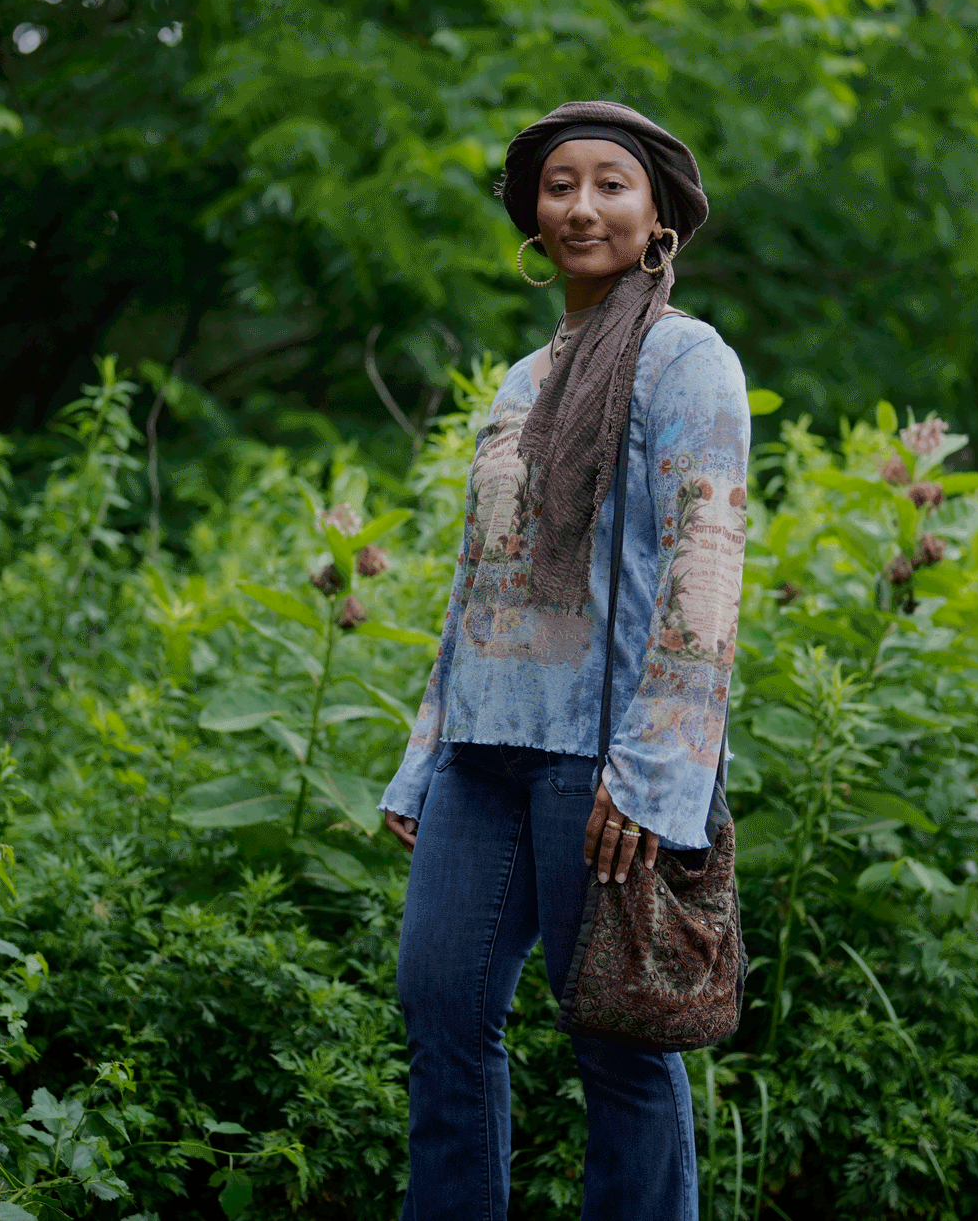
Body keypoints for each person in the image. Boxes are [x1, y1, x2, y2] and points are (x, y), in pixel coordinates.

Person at [378, 101, 751, 1221]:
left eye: (609, 184)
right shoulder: (517, 383)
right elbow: (475, 587)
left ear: (657, 217)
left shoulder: (687, 360)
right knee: (440, 1020)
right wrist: (421, 754)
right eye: (556, 187)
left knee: (619, 1049)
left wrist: (656, 773)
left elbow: (707, 569)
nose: (580, 206)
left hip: (602, 772)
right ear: (531, 222)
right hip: (480, 758)